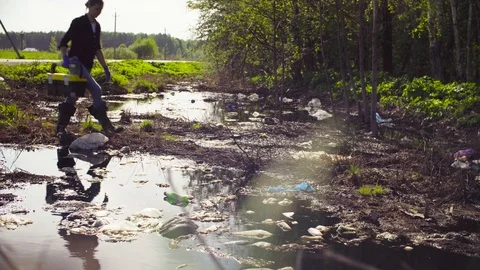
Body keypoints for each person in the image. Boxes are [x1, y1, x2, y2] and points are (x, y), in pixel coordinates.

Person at [56, 0, 122, 143]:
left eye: (101, 10)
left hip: (87, 66)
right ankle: (107, 126)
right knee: (96, 90)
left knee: (73, 96)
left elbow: (97, 49)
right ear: (89, 7)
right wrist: (65, 58)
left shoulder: (97, 26)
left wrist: (106, 68)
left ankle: (60, 129)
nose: (98, 12)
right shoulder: (78, 22)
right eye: (96, 9)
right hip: (76, 64)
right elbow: (63, 42)